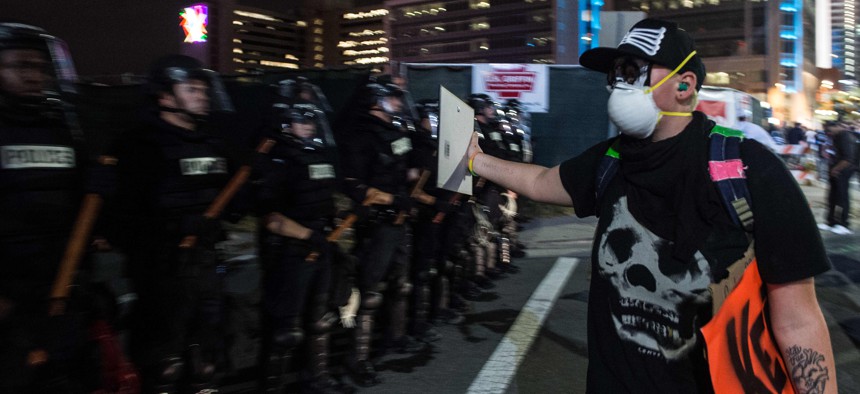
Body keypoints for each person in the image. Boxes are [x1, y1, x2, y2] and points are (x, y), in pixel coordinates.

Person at [467, 18, 836, 393]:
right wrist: (476, 161)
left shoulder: (750, 169)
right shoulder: (610, 160)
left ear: (684, 84)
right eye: (616, 74)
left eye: (634, 71)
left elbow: (798, 321)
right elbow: (540, 182)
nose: (620, 83)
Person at [110, 54, 235, 393]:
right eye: (192, 89)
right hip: (162, 267)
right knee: (163, 363)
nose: (202, 96)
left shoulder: (212, 144)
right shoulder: (139, 146)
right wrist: (172, 229)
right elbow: (120, 219)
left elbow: (232, 204)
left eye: (203, 90)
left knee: (206, 356)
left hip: (206, 263)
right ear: (165, 97)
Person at [0, 21, 107, 394]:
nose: (34, 77)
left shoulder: (63, 130)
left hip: (63, 290)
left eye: (40, 68)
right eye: (20, 66)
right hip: (10, 299)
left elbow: (85, 215)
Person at [255, 96, 354, 393]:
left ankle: (317, 379)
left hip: (321, 243)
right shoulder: (278, 160)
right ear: (287, 124)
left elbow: (323, 200)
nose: (308, 126)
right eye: (301, 120)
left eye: (310, 120)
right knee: (286, 329)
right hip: (292, 249)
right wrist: (308, 236)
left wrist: (336, 219)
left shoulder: (319, 155)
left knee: (319, 319)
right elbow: (271, 218)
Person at [337, 80, 423, 387]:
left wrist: (417, 170)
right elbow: (355, 186)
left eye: (400, 98)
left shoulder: (398, 133)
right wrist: (391, 199)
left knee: (400, 284)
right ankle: (356, 359)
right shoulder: (360, 136)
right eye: (392, 98)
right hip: (378, 222)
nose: (398, 103)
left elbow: (406, 172)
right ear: (375, 100)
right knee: (369, 293)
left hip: (401, 219)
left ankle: (394, 338)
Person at [818, 121, 857, 235]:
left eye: (829, 129)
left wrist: (836, 169)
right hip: (835, 169)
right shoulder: (836, 136)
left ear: (837, 126)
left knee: (842, 197)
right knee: (832, 197)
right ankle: (831, 222)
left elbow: (848, 158)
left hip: (843, 171)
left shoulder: (845, 137)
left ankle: (844, 224)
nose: (828, 132)